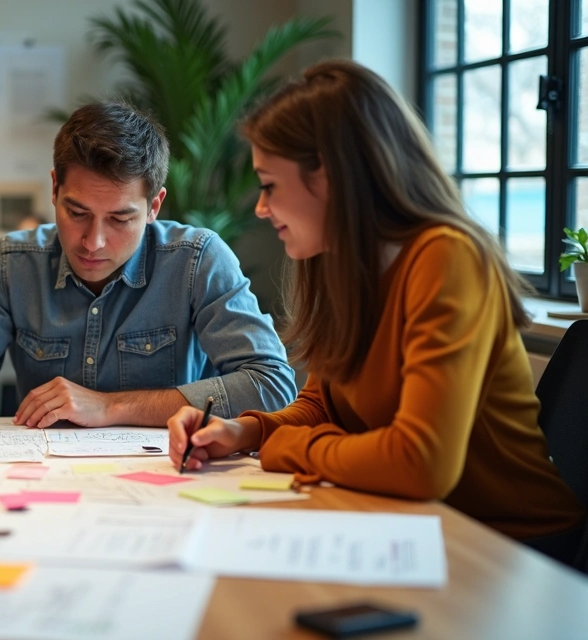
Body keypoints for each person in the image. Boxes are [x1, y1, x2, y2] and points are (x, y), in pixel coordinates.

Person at [167, 60, 585, 559]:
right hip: (414, 525)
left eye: (269, 184)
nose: (260, 207)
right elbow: (323, 407)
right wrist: (245, 432)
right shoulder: (342, 264)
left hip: (508, 546)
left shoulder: (447, 258)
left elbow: (420, 462)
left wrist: (286, 448)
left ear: (332, 177)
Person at [0, 101, 296, 444]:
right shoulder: (12, 264)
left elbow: (272, 384)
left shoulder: (197, 261)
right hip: (41, 479)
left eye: (120, 219)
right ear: (55, 188)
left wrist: (111, 406)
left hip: (167, 477)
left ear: (154, 206)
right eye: (77, 214)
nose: (93, 241)